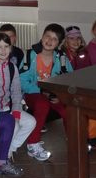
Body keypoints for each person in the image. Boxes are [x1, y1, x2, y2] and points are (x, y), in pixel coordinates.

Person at [19, 23, 73, 161]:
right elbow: (22, 81)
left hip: (54, 95)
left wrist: (60, 96)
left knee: (69, 110)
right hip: (33, 94)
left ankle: (74, 140)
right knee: (42, 104)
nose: (49, 41)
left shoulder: (62, 58)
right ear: (42, 36)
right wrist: (42, 90)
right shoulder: (29, 55)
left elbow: (70, 79)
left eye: (54, 39)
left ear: (59, 43)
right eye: (47, 36)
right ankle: (33, 144)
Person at [0, 33, 36, 175]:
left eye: (6, 46)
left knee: (30, 122)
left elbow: (16, 92)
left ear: (10, 48)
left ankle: (6, 151)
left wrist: (16, 112)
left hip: (7, 107)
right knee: (14, 126)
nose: (3, 50)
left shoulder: (12, 67)